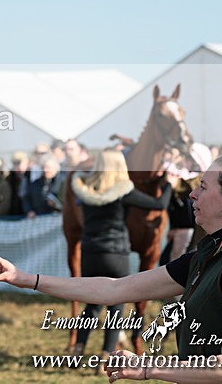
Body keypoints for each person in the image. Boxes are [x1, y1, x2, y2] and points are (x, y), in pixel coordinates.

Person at [0, 154, 222, 383]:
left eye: (203, 187)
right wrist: (26, 278)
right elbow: (115, 288)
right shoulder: (208, 255)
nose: (192, 194)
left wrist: (146, 367)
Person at [68, 149, 172, 363]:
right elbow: (159, 205)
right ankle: (106, 354)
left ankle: (78, 347)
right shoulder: (124, 191)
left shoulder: (84, 190)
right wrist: (167, 184)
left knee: (92, 303)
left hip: (90, 253)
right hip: (116, 254)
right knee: (116, 304)